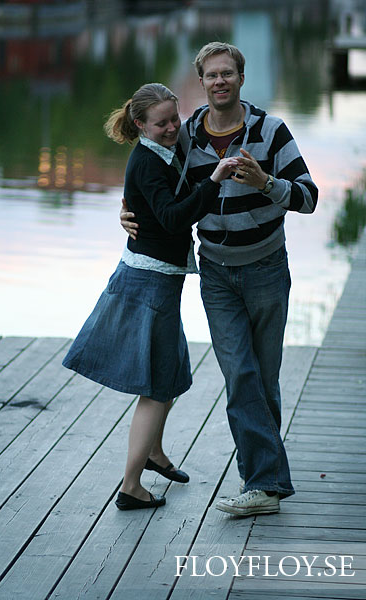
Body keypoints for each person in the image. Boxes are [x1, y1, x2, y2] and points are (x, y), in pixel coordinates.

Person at [120, 43, 318, 516]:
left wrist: (266, 184)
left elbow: (309, 198)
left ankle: (264, 482)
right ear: (202, 82)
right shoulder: (186, 136)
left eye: (227, 73)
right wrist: (128, 213)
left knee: (263, 379)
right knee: (239, 374)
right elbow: (157, 191)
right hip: (215, 272)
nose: (219, 82)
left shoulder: (270, 131)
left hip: (267, 269)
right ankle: (265, 483)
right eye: (210, 76)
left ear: (241, 78)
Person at [62, 82, 237, 511]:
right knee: (158, 387)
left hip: (162, 279)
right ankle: (131, 486)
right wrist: (214, 179)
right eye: (161, 123)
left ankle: (154, 453)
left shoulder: (166, 148)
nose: (173, 128)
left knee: (172, 371)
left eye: (175, 119)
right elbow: (175, 219)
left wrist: (128, 205)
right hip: (149, 282)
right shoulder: (146, 161)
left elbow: (151, 201)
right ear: (140, 124)